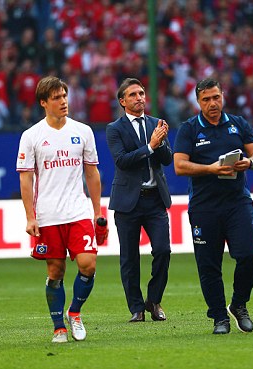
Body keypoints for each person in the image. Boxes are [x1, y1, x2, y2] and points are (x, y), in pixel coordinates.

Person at [17, 76, 104, 343]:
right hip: (48, 215)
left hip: (77, 211)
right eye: (56, 97)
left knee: (87, 265)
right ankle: (58, 327)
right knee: (55, 272)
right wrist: (30, 217)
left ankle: (74, 312)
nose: (63, 101)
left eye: (64, 95)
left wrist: (97, 211)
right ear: (44, 103)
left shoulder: (83, 131)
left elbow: (92, 173)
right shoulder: (31, 136)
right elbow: (26, 178)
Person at [173, 78, 253, 334]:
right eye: (206, 99)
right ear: (198, 101)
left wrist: (250, 162)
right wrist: (209, 169)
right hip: (204, 207)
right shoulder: (189, 129)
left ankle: (239, 305)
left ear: (222, 96)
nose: (212, 103)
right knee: (209, 264)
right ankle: (219, 318)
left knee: (249, 256)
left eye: (216, 97)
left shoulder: (237, 124)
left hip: (237, 203)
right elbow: (179, 166)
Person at [106, 78, 172, 323]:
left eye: (142, 93)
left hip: (155, 199)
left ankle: (153, 300)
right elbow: (122, 160)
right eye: (133, 94)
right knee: (129, 258)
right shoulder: (115, 128)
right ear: (123, 101)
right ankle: (136, 308)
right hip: (127, 202)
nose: (139, 98)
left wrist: (161, 142)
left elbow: (167, 159)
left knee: (163, 250)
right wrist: (151, 145)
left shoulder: (157, 124)